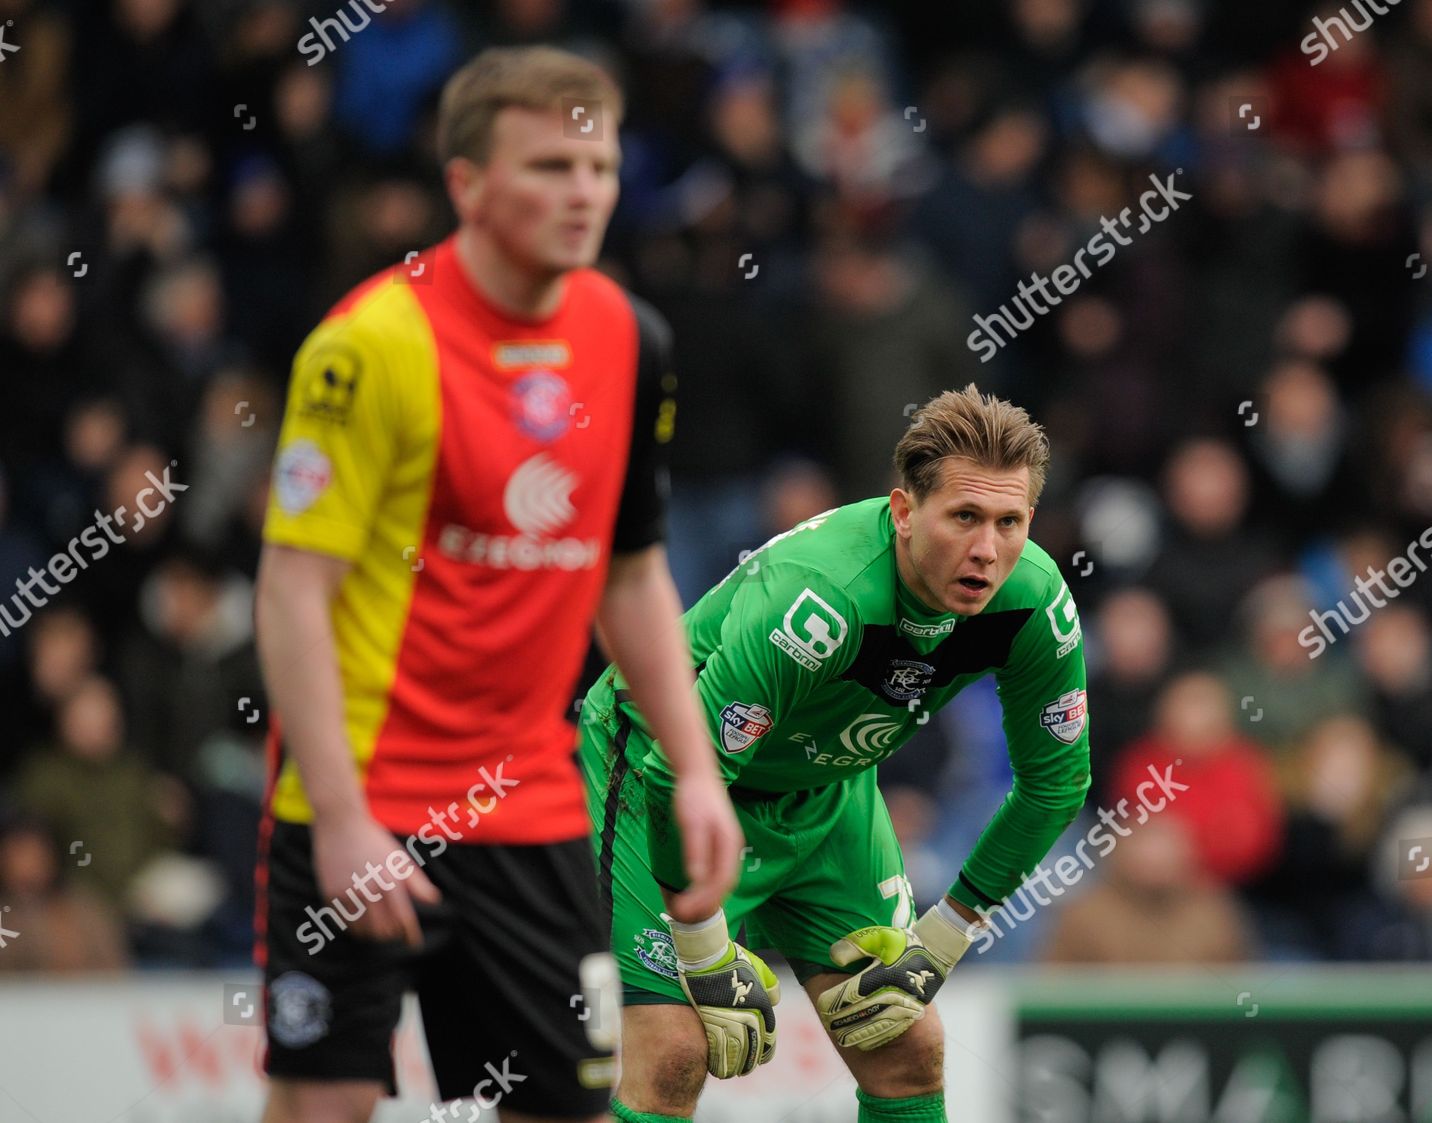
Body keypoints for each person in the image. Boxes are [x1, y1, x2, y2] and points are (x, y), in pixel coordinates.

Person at [253, 47, 741, 1123]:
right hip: (362, 797)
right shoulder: (369, 346)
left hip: (527, 804)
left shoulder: (628, 337)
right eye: (550, 166)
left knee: (561, 1109)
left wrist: (698, 773)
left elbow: (632, 572)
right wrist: (338, 818)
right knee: (321, 1107)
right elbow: (293, 590)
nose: (583, 193)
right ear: (467, 183)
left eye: (600, 165)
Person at [580, 386, 1092, 1123]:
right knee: (674, 1050)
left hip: (825, 792)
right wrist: (702, 948)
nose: (987, 549)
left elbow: (1055, 785)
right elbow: (685, 771)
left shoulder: (1035, 602)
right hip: (658, 769)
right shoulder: (820, 598)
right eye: (965, 517)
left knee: (906, 1046)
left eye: (1009, 522)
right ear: (904, 510)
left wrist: (941, 939)